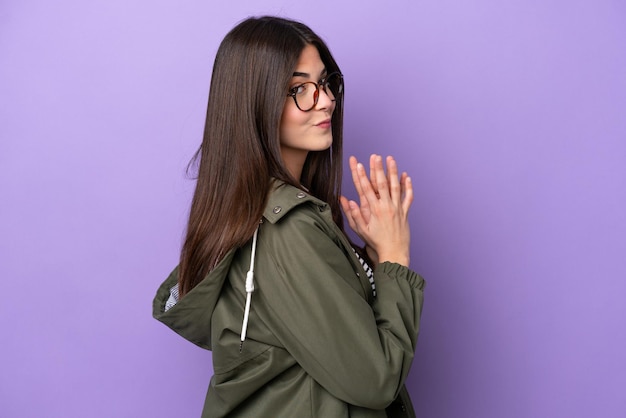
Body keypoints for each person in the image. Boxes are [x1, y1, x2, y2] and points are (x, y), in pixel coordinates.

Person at [153, 16, 425, 418]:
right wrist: (394, 259)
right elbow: (375, 380)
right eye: (299, 89)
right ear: (256, 104)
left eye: (326, 82)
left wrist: (368, 260)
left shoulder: (264, 215)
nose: (326, 100)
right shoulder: (286, 228)